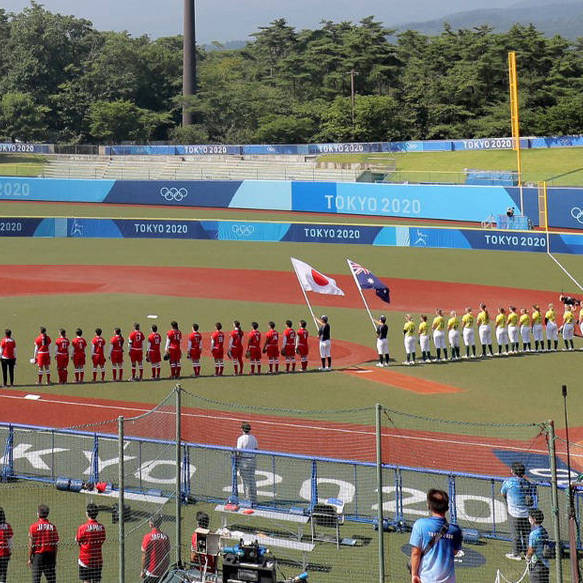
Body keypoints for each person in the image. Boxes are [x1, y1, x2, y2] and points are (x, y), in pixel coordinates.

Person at [409, 489, 462, 583]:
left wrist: (414, 574)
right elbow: (454, 551)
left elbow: (416, 553)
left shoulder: (420, 525)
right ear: (447, 508)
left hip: (426, 579)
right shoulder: (455, 530)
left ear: (429, 506)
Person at [501, 461, 536, 560]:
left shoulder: (508, 482)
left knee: (515, 534)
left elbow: (503, 493)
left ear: (512, 471)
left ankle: (516, 554)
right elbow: (531, 493)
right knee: (526, 534)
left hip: (514, 513)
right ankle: (527, 554)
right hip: (526, 513)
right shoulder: (527, 483)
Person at [75, 503, 106, 583]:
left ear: (87, 513)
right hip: (97, 559)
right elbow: (102, 540)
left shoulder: (82, 528)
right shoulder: (101, 527)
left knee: (86, 580)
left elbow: (78, 540)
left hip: (85, 559)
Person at [28, 504, 59, 583]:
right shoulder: (53, 527)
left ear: (38, 514)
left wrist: (29, 558)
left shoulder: (33, 527)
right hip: (50, 556)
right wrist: (54, 558)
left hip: (38, 557)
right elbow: (55, 545)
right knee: (51, 580)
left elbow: (31, 544)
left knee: (36, 579)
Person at [140, 515, 170, 583]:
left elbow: (144, 557)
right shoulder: (165, 536)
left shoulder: (147, 537)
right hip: (163, 571)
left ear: (151, 524)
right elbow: (167, 555)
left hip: (151, 572)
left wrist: (142, 571)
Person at [236, 422, 258, 506]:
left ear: (242, 429)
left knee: (245, 482)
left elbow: (239, 451)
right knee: (252, 480)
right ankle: (254, 499)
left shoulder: (241, 438)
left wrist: (237, 462)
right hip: (252, 460)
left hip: (244, 461)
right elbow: (256, 449)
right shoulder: (253, 438)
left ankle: (247, 500)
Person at [526, 509, 550, 583]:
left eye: (530, 517)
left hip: (537, 565)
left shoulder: (534, 534)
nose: (529, 519)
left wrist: (527, 557)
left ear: (534, 519)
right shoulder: (543, 530)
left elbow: (531, 549)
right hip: (545, 564)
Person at [0, 507, 13, 583]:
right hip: (4, 553)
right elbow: (10, 541)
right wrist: (9, 552)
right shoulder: (7, 526)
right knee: (3, 573)